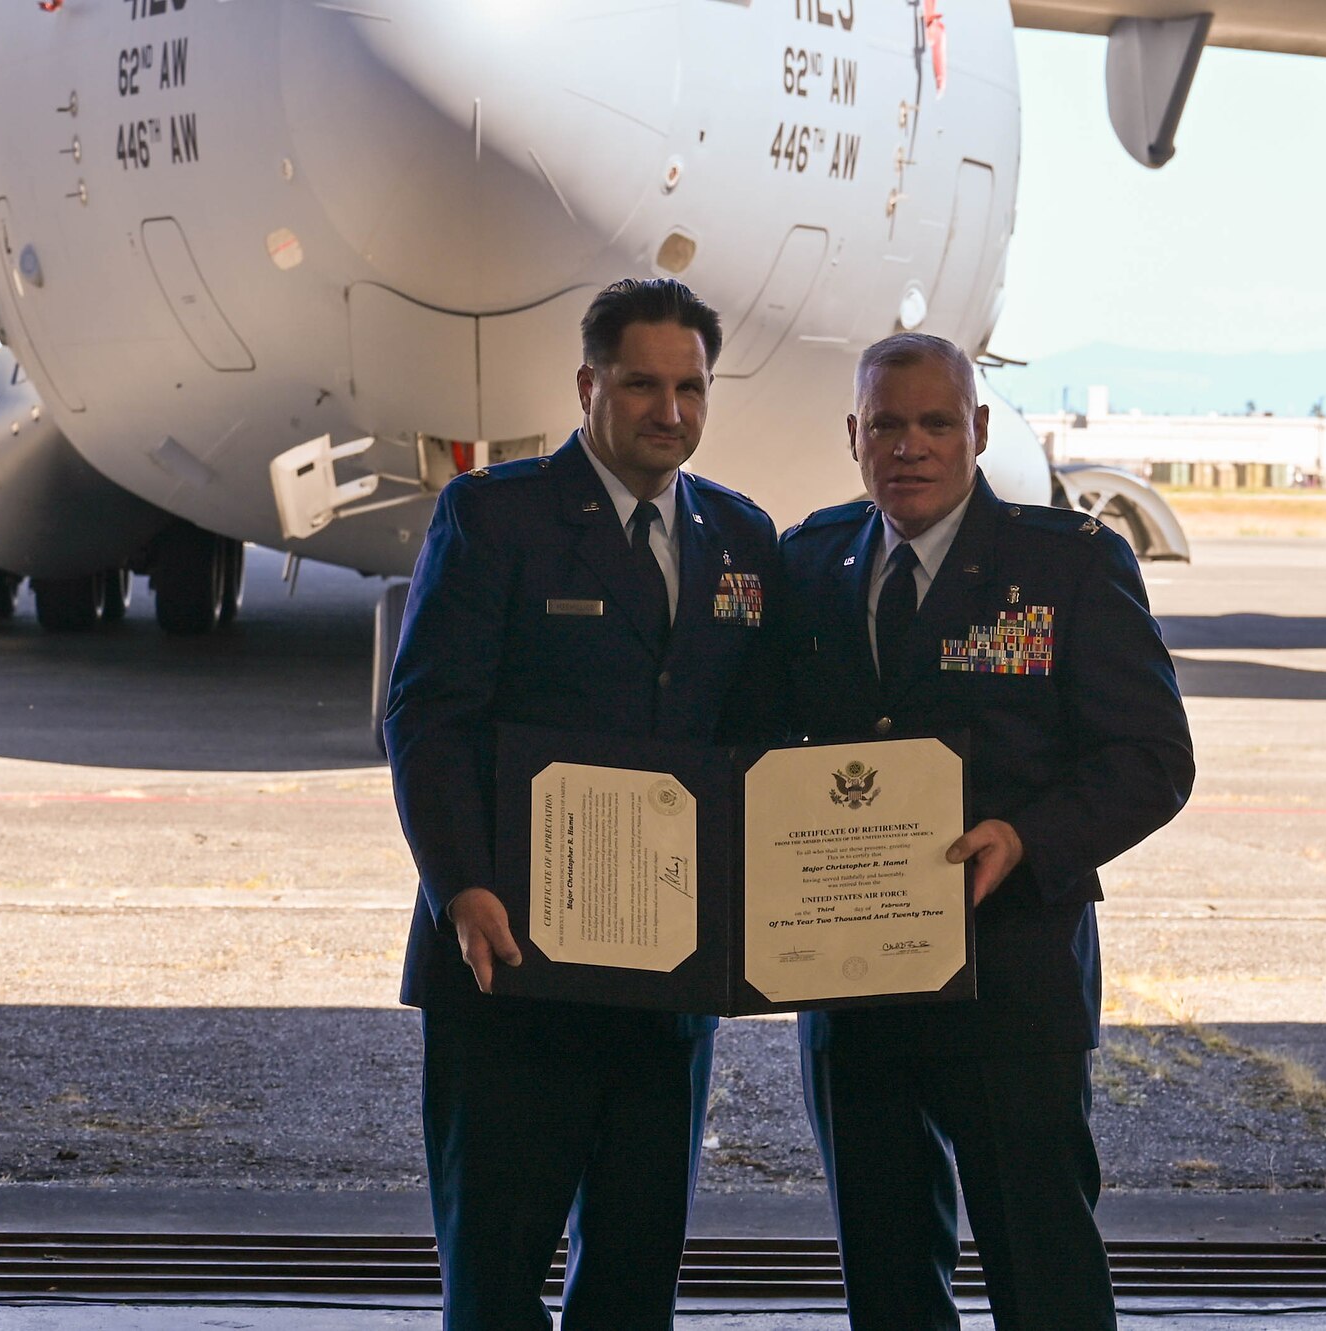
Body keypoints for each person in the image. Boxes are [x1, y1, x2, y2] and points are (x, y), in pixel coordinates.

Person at [383, 278, 781, 1331]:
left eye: (690, 386)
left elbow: (762, 748)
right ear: (586, 383)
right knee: (495, 1274)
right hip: (510, 968)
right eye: (642, 384)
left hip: (666, 985)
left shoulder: (741, 538)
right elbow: (429, 718)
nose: (670, 410)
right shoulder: (494, 515)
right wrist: (459, 883)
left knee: (634, 1280)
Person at [779, 332, 1195, 1330]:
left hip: (1009, 973)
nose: (908, 446)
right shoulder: (807, 562)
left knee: (1040, 1258)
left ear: (976, 429)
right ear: (852, 435)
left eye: (933, 423)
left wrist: (1025, 833)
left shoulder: (1069, 564)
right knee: (883, 1271)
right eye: (885, 424)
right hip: (852, 980)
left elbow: (1150, 758)